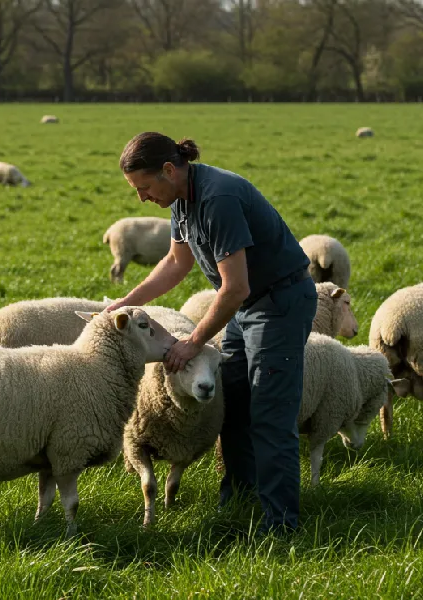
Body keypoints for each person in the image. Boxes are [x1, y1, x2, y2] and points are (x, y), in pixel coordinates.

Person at [105, 132, 317, 534]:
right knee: (232, 407)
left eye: (144, 187)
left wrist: (193, 342)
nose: (142, 198)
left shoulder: (219, 198)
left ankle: (281, 527)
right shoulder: (180, 199)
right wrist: (125, 303)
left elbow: (234, 287)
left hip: (279, 304)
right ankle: (238, 503)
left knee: (270, 415)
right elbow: (176, 263)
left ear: (169, 170)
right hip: (247, 305)